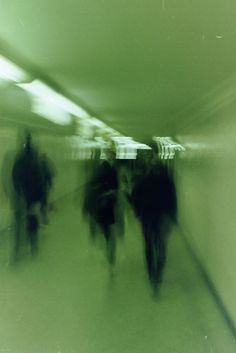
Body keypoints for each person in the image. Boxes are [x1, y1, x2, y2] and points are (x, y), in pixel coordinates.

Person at [129, 153, 177, 293]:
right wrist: (173, 216)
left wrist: (138, 213)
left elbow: (134, 197)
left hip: (147, 217)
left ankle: (151, 274)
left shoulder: (143, 179)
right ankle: (158, 274)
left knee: (149, 245)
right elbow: (172, 198)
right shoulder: (167, 179)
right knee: (161, 245)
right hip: (162, 217)